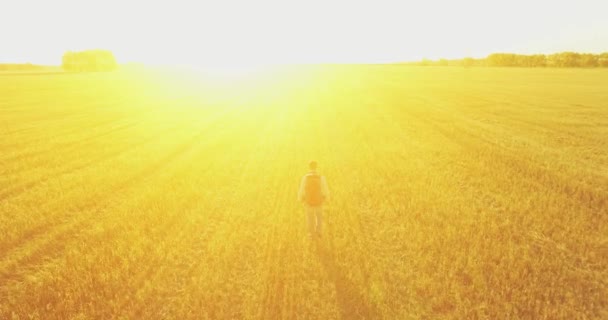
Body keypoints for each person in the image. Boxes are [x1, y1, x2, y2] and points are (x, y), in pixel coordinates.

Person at [298, 161, 330, 238]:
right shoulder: (321, 177)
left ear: (309, 167)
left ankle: (311, 234)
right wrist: (327, 198)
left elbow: (301, 189)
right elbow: (325, 189)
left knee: (310, 217)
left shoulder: (305, 177)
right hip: (319, 201)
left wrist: (300, 198)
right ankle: (319, 232)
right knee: (319, 216)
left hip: (308, 201)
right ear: (316, 167)